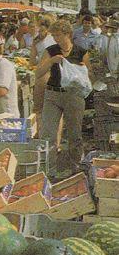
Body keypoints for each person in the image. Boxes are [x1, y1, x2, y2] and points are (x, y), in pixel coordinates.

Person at [36, 20, 91, 177]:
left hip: (74, 95)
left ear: (68, 34)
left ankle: (76, 168)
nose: (55, 38)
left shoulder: (81, 52)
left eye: (58, 35)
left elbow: (89, 75)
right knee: (48, 134)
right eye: (53, 35)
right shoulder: (50, 51)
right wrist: (51, 61)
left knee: (75, 134)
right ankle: (48, 170)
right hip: (52, 94)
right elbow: (39, 72)